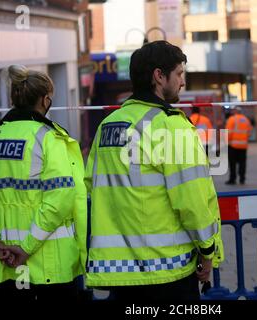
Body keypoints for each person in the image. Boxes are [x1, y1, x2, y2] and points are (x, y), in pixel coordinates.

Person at [84, 40, 224, 301]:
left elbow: (92, 185)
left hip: (120, 272)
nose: (182, 82)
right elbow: (190, 200)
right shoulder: (170, 126)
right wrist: (207, 250)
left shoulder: (108, 125)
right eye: (180, 74)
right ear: (159, 76)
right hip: (166, 272)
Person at [0, 65, 87, 301]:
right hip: (50, 266)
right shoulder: (48, 139)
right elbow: (60, 199)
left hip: (8, 264)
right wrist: (27, 246)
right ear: (45, 99)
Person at [225, 106, 252, 185]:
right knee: (242, 163)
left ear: (235, 112)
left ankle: (232, 179)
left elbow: (228, 133)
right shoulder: (246, 120)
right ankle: (242, 179)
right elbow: (249, 133)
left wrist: (227, 142)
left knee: (232, 163)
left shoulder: (232, 119)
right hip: (243, 146)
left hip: (233, 145)